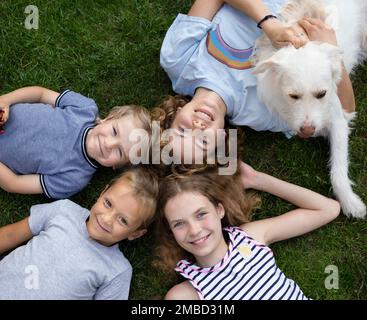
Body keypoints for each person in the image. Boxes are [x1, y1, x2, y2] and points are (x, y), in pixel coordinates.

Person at [154, 0, 356, 157]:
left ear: (174, 115)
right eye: (203, 142)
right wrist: (332, 50)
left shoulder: (178, 60)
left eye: (182, 130)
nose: (196, 128)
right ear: (221, 139)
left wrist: (270, 25)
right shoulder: (256, 114)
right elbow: (344, 111)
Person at [154, 162, 340, 300]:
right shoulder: (185, 296)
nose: (194, 230)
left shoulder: (249, 238)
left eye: (201, 214)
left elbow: (328, 209)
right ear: (171, 231)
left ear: (219, 210)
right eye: (179, 223)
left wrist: (258, 180)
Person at [0, 166, 159, 299]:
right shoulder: (63, 210)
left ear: (135, 234)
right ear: (102, 193)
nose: (107, 219)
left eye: (123, 220)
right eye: (108, 203)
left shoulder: (117, 271)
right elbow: (9, 236)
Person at [0, 86, 152, 199]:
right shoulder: (85, 109)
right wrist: (6, 100)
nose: (109, 144)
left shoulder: (75, 178)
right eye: (114, 131)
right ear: (109, 118)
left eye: (119, 151)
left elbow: (14, 183)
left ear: (117, 166)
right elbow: (41, 94)